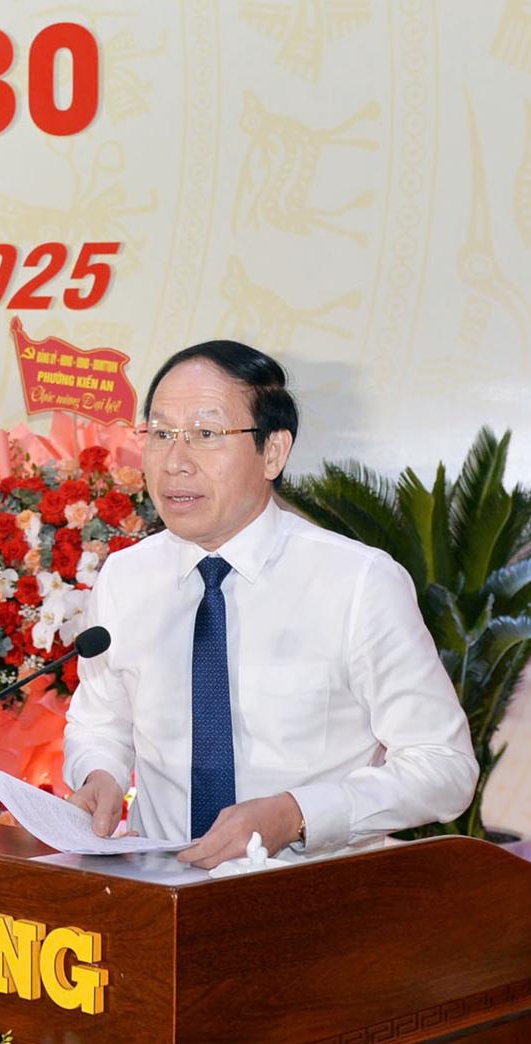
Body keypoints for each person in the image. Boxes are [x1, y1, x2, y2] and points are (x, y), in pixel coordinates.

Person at [63, 341, 478, 869]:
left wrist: (298, 814)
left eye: (206, 434)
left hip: (307, 895)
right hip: (158, 888)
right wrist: (98, 773)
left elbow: (444, 767)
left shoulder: (358, 582)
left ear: (274, 452)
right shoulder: (126, 577)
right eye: (161, 434)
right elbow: (100, 722)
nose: (176, 463)